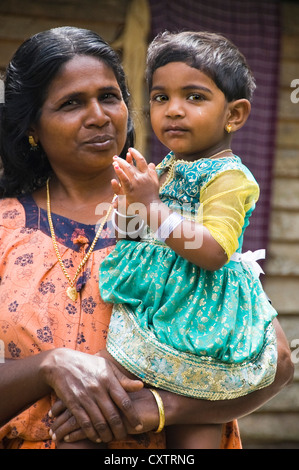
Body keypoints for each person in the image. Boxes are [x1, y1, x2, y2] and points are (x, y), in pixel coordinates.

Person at [0, 27, 293, 451]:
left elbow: (275, 361)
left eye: (109, 97)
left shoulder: (178, 203)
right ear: (32, 126)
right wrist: (50, 366)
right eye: (70, 104)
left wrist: (162, 407)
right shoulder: (8, 227)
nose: (99, 116)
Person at [97, 31, 282, 449]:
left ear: (234, 115)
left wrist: (152, 205)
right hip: (154, 312)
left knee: (192, 434)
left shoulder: (228, 177)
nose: (173, 110)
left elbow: (214, 252)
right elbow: (132, 236)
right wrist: (130, 205)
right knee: (111, 414)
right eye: (161, 98)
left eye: (194, 97)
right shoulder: (164, 168)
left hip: (202, 321)